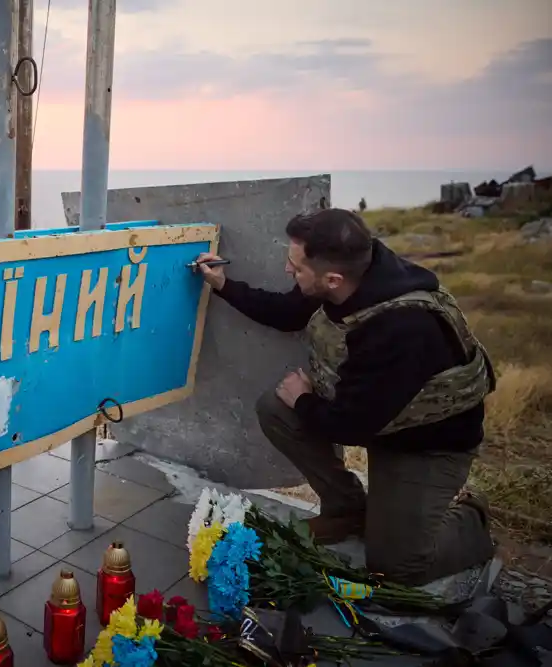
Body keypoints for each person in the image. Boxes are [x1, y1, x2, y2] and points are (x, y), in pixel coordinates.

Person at [195, 208, 497, 586]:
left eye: (296, 267)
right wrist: (223, 284)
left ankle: (472, 517)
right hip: (375, 416)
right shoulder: (350, 274)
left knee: (398, 566)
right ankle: (348, 510)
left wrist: (305, 399)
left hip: (427, 443)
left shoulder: (402, 328)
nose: (289, 271)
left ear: (332, 279)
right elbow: (289, 312)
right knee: (277, 409)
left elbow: (351, 427)